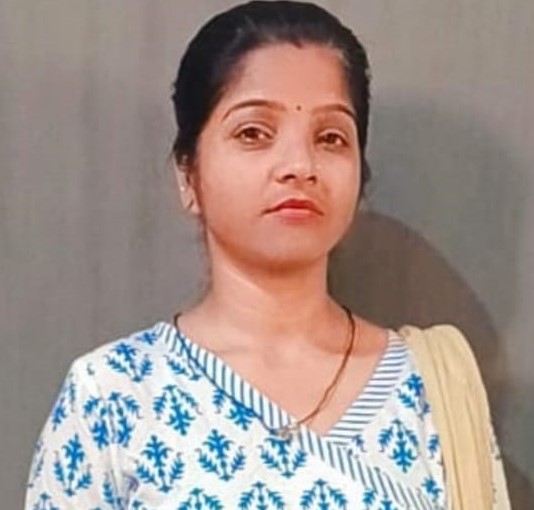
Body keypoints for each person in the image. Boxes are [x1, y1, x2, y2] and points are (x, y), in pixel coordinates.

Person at [24, 2, 509, 509]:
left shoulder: (431, 387)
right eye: (253, 133)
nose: (300, 165)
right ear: (189, 175)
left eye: (330, 137)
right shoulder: (114, 396)